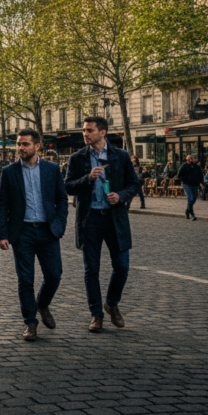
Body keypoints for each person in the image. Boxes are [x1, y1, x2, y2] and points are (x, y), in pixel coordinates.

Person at [64, 116, 139, 333]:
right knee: (91, 270)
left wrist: (121, 196)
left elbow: (134, 184)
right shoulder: (77, 158)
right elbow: (68, 186)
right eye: (84, 130)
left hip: (115, 218)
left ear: (102, 132)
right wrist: (87, 178)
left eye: (89, 130)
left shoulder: (121, 156)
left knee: (122, 267)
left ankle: (112, 304)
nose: (85, 134)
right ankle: (96, 315)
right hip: (90, 219)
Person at [0, 129, 68, 341]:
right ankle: (30, 323)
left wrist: (60, 223)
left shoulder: (52, 169)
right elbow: (2, 205)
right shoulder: (9, 171)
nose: (20, 148)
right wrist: (3, 234)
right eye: (18, 144)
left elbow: (62, 199)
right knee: (25, 280)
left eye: (25, 144)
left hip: (48, 230)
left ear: (37, 146)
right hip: (22, 232)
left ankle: (42, 304)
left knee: (54, 275)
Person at [177, 155, 203, 220]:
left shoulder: (197, 167)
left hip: (195, 184)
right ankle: (192, 214)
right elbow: (179, 175)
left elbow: (200, 175)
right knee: (190, 198)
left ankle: (187, 211)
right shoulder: (184, 166)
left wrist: (201, 183)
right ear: (187, 160)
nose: (190, 160)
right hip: (187, 184)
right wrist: (184, 179)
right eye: (188, 159)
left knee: (194, 198)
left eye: (191, 159)